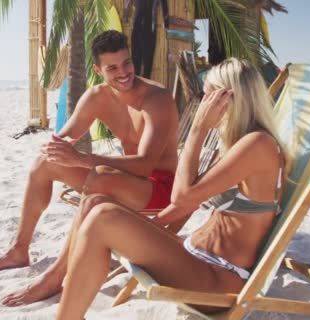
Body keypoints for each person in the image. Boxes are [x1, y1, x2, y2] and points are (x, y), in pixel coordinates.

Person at [54, 57, 293, 319]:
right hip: (193, 255)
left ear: (228, 99)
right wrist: (146, 228)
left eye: (208, 96)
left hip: (217, 279)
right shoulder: (238, 143)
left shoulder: (258, 145)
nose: (203, 104)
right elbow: (186, 203)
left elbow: (181, 195)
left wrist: (198, 129)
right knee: (95, 204)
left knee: (102, 219)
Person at [0, 30, 180, 304]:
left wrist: (81, 159)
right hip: (124, 182)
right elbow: (65, 137)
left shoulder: (157, 100)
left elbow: (144, 165)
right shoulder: (98, 97)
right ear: (98, 69)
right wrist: (54, 148)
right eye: (113, 67)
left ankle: (54, 278)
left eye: (127, 63)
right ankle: (19, 250)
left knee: (101, 178)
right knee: (44, 163)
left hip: (159, 189)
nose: (124, 73)